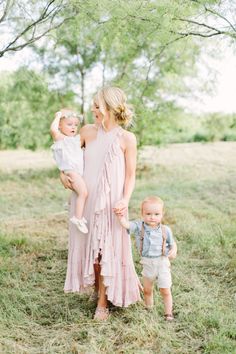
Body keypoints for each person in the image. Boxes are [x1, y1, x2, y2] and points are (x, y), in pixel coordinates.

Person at [60, 87, 141, 320]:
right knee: (91, 251)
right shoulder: (86, 132)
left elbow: (130, 175)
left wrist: (125, 200)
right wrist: (62, 176)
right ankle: (99, 291)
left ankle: (103, 303)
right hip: (84, 200)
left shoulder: (127, 138)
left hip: (110, 202)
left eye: (97, 106)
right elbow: (69, 160)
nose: (93, 109)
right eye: (93, 105)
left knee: (105, 251)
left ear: (111, 108)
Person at [118, 196, 177, 321]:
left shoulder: (166, 230)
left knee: (165, 289)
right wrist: (120, 216)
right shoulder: (139, 226)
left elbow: (173, 244)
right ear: (142, 214)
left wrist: (174, 251)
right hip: (147, 263)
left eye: (156, 214)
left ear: (162, 214)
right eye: (148, 214)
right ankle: (149, 309)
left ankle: (168, 313)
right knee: (147, 290)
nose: (152, 217)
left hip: (162, 262)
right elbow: (126, 224)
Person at [50, 108, 88, 234]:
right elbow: (53, 130)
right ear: (60, 126)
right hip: (71, 171)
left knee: (78, 192)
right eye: (69, 124)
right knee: (83, 193)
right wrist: (58, 116)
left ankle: (70, 203)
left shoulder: (75, 139)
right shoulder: (61, 138)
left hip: (77, 171)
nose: (73, 127)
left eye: (76, 125)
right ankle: (78, 218)